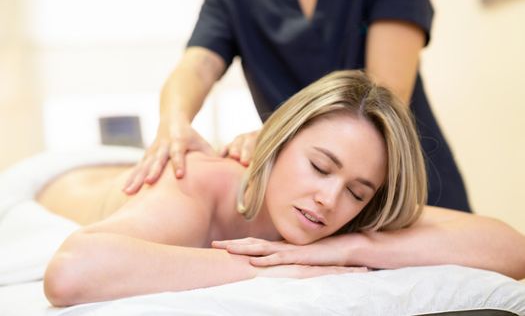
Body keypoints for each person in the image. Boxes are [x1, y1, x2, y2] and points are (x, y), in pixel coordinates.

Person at [40, 71, 524, 307]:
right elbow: (70, 272)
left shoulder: (345, 209)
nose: (330, 201)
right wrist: (269, 265)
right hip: (61, 178)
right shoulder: (197, 186)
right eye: (319, 166)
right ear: (274, 141)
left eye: (358, 193)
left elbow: (511, 249)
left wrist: (346, 249)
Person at [123, 0, 471, 213]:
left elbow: (386, 90)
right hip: (315, 202)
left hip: (399, 184)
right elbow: (196, 66)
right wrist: (174, 122)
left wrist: (281, 135)